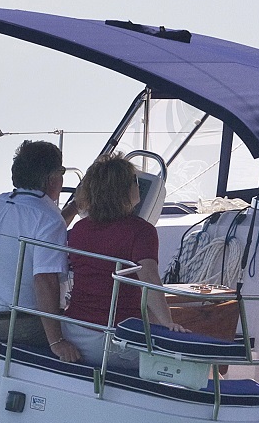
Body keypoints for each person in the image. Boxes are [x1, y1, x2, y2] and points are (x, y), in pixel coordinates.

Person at [60, 153, 177, 374]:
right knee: (184, 359)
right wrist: (168, 324)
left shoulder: (79, 230)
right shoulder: (141, 231)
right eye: (134, 181)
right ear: (124, 190)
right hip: (113, 342)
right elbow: (149, 280)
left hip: (73, 332)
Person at [0, 140, 79, 362]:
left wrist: (74, 207)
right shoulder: (48, 219)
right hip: (17, 326)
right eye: (62, 171)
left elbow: (41, 229)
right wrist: (57, 343)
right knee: (90, 334)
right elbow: (44, 281)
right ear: (52, 178)